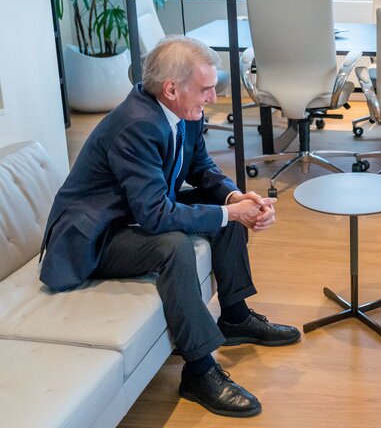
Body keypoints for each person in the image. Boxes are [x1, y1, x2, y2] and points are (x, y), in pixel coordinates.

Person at [39, 36, 300, 418]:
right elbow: (157, 217)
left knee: (222, 212)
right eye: (206, 88)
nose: (212, 97)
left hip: (132, 211)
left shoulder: (182, 112)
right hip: (93, 237)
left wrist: (235, 200)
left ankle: (236, 317)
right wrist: (232, 214)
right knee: (172, 246)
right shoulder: (137, 125)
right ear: (171, 88)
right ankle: (199, 372)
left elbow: (202, 169)